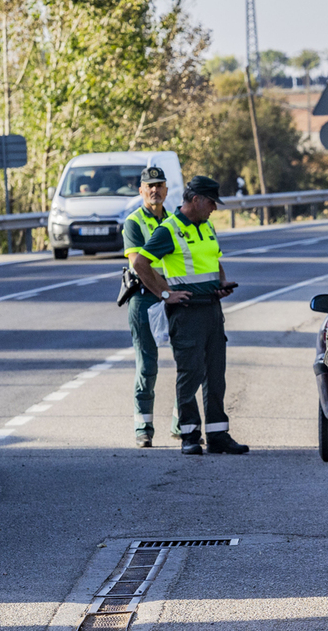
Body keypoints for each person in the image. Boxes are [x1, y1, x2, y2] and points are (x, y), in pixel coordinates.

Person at [132, 176, 248, 456]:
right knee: (190, 374)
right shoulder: (169, 229)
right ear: (195, 200)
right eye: (211, 202)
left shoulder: (206, 226)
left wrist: (220, 284)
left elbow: (214, 259)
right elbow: (140, 263)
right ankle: (189, 435)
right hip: (186, 313)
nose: (214, 208)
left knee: (215, 375)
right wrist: (165, 294)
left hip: (211, 309)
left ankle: (218, 435)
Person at [122, 166, 179, 448]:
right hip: (145, 297)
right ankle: (143, 428)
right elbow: (138, 264)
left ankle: (182, 424)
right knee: (147, 366)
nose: (155, 190)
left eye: (160, 185)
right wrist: (164, 291)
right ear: (141, 191)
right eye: (150, 186)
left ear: (167, 190)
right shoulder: (134, 223)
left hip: (175, 296)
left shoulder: (176, 221)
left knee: (187, 363)